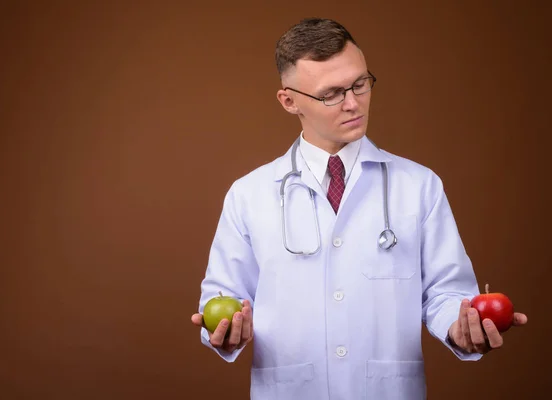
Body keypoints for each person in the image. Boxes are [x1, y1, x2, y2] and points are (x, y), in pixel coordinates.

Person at [191, 17, 527, 400]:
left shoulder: (419, 186)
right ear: (289, 101)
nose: (353, 103)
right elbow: (223, 298)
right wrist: (226, 333)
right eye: (331, 93)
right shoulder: (248, 194)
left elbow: (446, 293)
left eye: (360, 84)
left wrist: (461, 327)